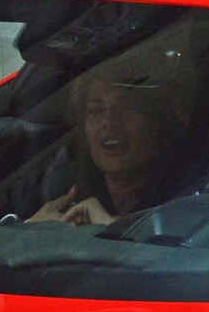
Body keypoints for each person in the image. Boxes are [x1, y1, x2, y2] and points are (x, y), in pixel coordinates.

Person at [29, 45, 199, 227]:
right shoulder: (64, 201)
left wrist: (113, 230)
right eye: (96, 110)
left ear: (157, 120)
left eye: (127, 107)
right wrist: (29, 232)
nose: (108, 122)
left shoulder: (186, 208)